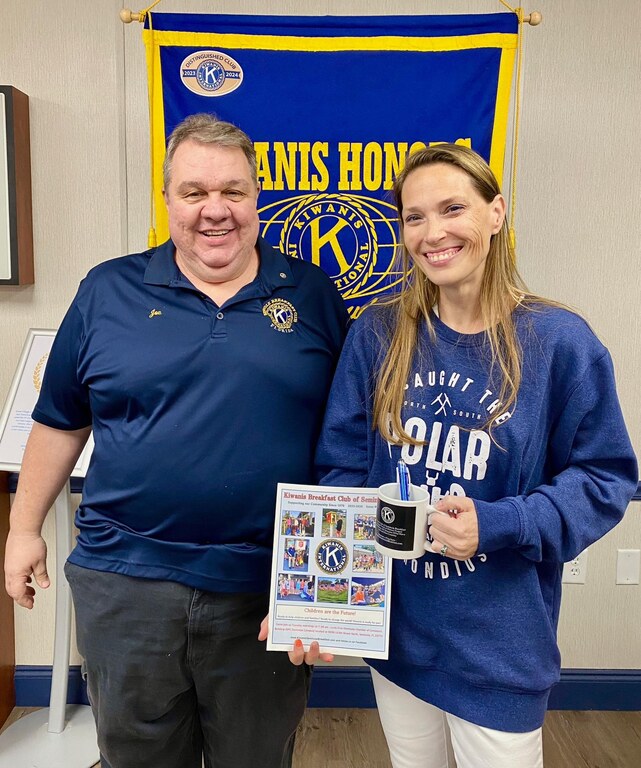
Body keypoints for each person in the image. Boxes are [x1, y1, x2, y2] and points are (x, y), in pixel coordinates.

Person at [4, 113, 348, 768]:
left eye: (233, 191)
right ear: (167, 199)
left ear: (257, 196)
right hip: (125, 582)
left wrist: (316, 589)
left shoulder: (311, 293)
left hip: (263, 588)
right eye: (194, 192)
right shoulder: (108, 290)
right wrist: (23, 529)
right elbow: (60, 419)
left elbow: (347, 442)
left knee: (255, 759)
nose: (215, 210)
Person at [290, 144, 638, 767]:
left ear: (496, 213)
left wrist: (501, 522)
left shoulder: (558, 342)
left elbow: (604, 478)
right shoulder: (378, 333)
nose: (433, 233)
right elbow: (340, 467)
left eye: (453, 208)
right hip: (398, 638)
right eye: (414, 216)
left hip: (500, 649)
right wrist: (324, 598)